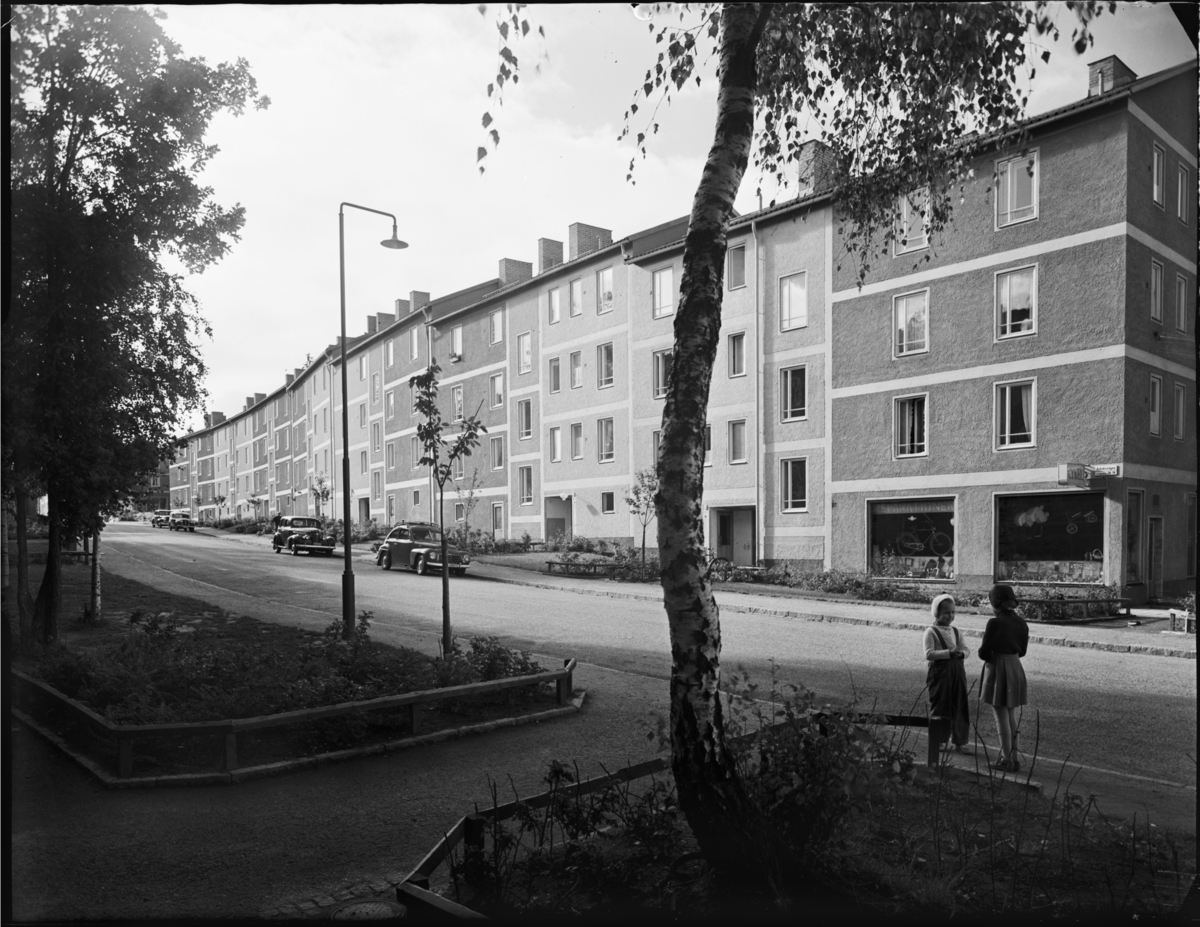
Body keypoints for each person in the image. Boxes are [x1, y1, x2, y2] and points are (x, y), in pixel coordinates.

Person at [979, 583, 1029, 772]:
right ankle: (1013, 757)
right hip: (1016, 666)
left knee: (1000, 715)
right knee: (1010, 714)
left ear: (996, 604)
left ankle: (1005, 759)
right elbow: (1022, 651)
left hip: (999, 667)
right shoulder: (1021, 622)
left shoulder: (995, 623)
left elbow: (984, 653)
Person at [924, 593, 971, 754]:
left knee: (960, 704)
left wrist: (962, 654)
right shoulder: (931, 632)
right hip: (939, 673)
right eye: (946, 613)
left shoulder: (956, 632)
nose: (950, 616)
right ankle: (939, 740)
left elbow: (966, 649)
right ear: (936, 613)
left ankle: (960, 740)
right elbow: (929, 654)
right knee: (940, 705)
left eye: (952, 612)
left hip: (957, 671)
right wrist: (948, 653)